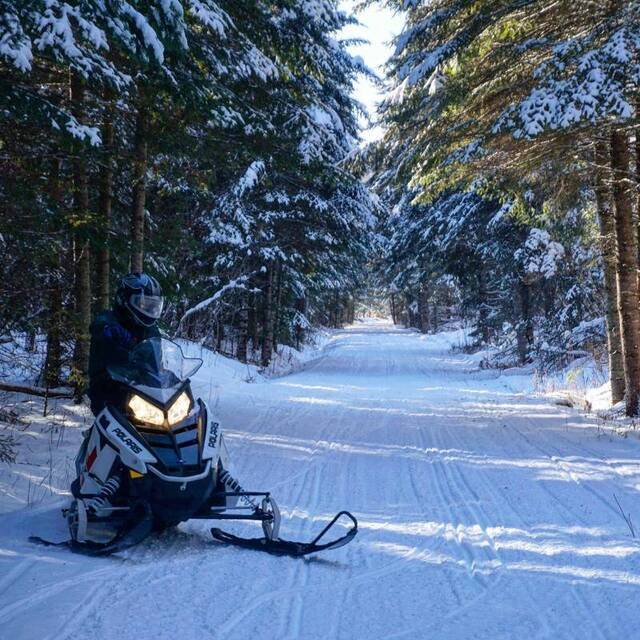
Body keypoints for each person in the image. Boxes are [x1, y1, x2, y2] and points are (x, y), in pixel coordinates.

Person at [88, 272, 164, 415]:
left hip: (145, 391)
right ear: (124, 299)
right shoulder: (108, 321)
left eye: (153, 306)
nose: (149, 310)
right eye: (144, 304)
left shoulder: (150, 330)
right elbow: (99, 325)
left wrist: (167, 380)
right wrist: (110, 331)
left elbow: (155, 362)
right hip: (109, 389)